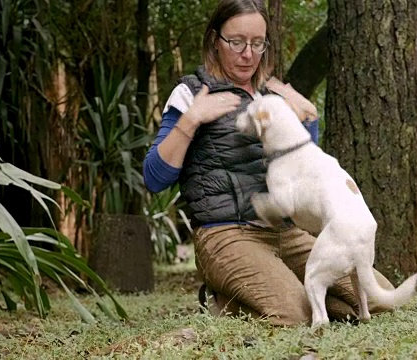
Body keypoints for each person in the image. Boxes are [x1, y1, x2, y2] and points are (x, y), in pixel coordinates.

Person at [143, 0, 396, 326]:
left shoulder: (272, 95)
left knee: (378, 299)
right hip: (226, 234)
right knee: (292, 314)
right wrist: (191, 119)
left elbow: (303, 167)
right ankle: (225, 299)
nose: (248, 54)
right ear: (214, 41)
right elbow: (153, 178)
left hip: (286, 233)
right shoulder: (190, 92)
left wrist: (308, 118)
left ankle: (275, 296)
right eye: (236, 42)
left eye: (257, 43)